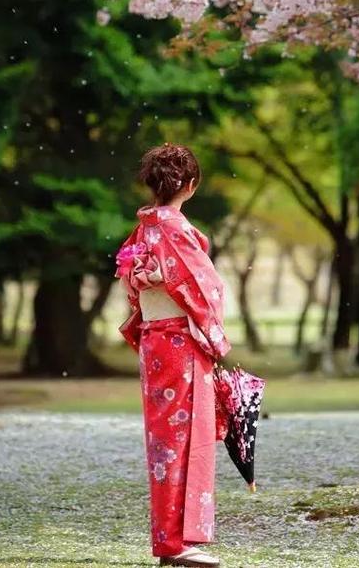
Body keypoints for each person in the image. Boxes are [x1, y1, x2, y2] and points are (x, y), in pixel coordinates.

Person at [115, 144, 231, 568]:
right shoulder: (175, 229)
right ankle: (175, 543)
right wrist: (215, 336)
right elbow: (206, 288)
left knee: (165, 441)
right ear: (191, 185)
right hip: (180, 340)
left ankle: (171, 539)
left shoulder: (143, 231)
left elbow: (133, 284)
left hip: (155, 339)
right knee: (183, 440)